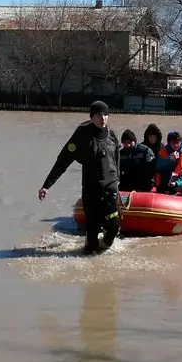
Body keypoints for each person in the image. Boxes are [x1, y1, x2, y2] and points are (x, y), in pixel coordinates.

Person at [38, 101, 121, 255]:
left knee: (114, 224)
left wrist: (118, 181)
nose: (103, 118)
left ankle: (106, 245)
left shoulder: (112, 135)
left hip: (110, 187)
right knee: (92, 235)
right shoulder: (82, 135)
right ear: (92, 117)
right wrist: (47, 185)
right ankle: (91, 254)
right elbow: (63, 160)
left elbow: (117, 159)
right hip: (91, 189)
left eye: (105, 114)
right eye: (98, 115)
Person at [154, 130, 182, 194]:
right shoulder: (162, 152)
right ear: (169, 143)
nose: (176, 145)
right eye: (173, 143)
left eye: (177, 143)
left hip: (181, 181)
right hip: (166, 181)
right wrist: (169, 159)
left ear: (181, 142)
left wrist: (177, 183)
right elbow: (158, 168)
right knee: (161, 189)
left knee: (174, 190)